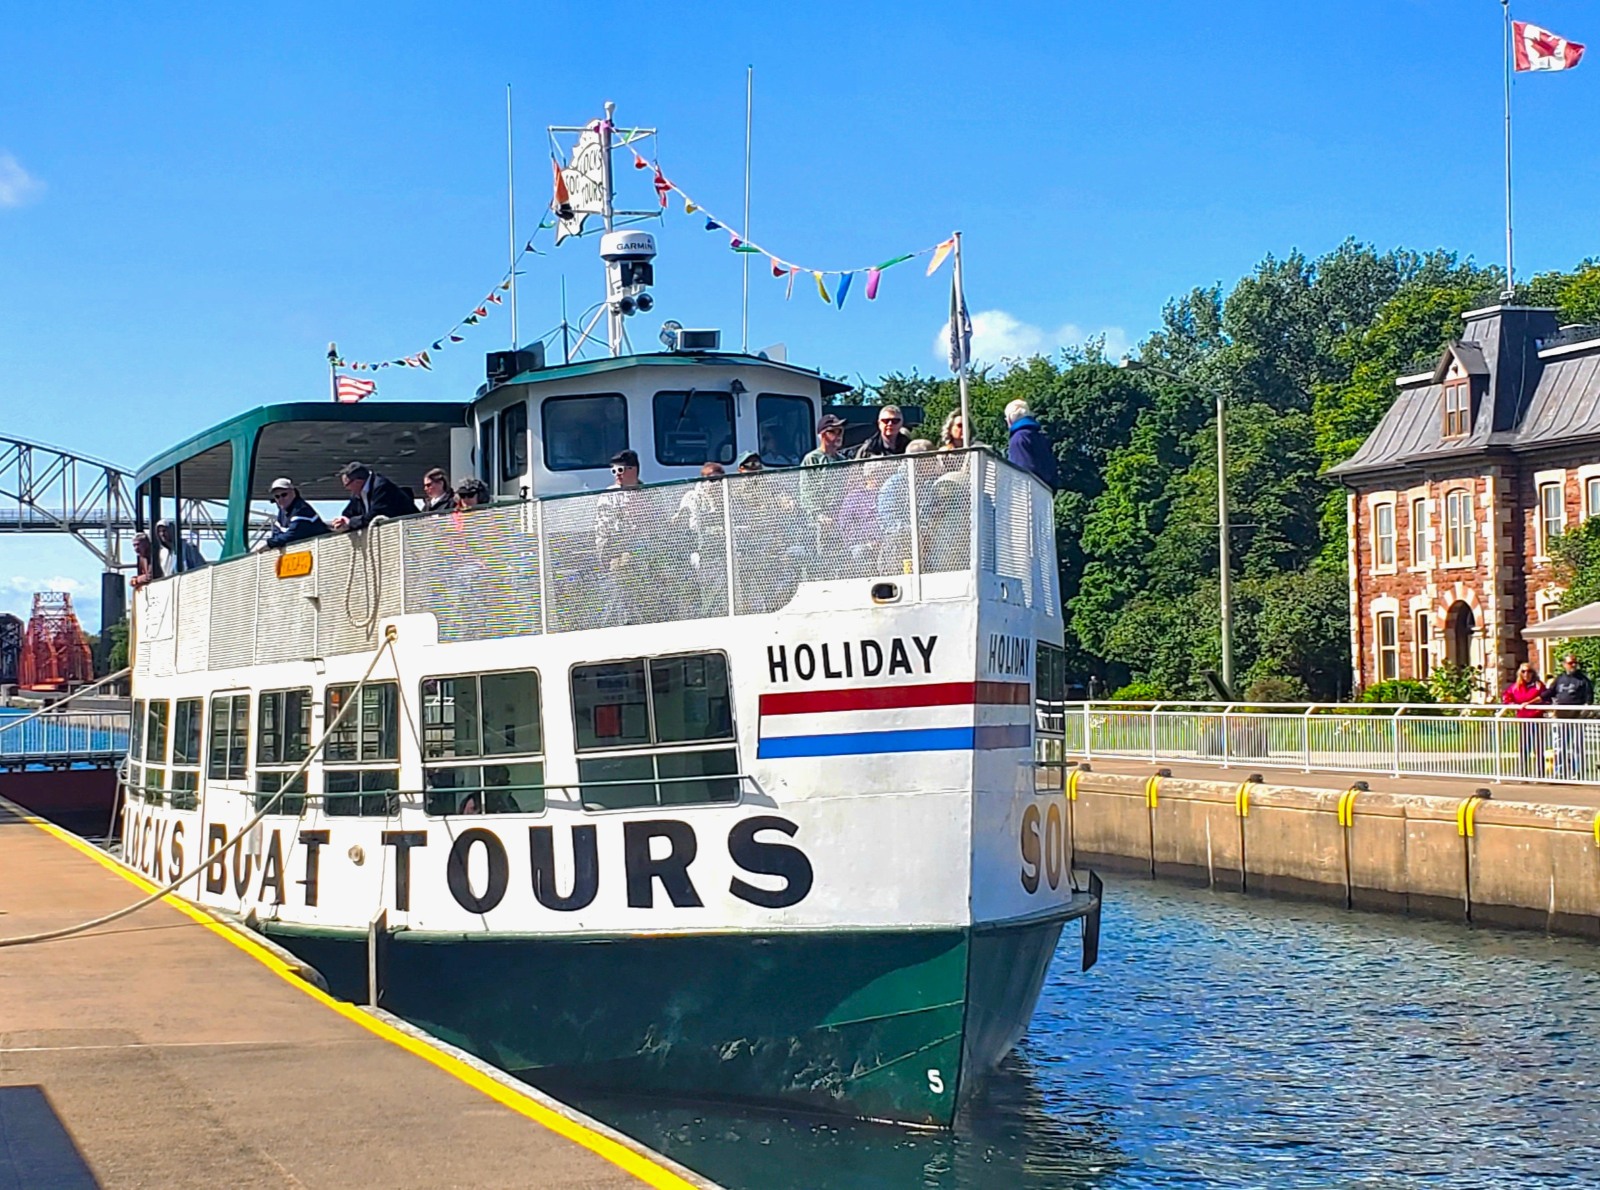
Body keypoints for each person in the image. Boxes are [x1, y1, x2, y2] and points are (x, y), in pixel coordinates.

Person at [330, 461, 415, 532]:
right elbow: (348, 513)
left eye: (347, 485)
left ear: (358, 481)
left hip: (409, 532)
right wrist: (342, 521)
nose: (347, 489)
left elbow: (375, 515)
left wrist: (350, 523)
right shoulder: (357, 493)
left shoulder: (381, 487)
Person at [1549, 653, 1593, 779]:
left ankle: (1577, 772)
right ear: (1564, 665)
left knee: (1577, 746)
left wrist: (1583, 714)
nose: (1573, 665)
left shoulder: (1583, 680)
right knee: (1560, 746)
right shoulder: (1559, 679)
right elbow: (1550, 693)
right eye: (1570, 663)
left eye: (1575, 662)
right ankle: (1559, 771)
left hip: (1576, 718)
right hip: (1561, 717)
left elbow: (1589, 699)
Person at [1503, 663, 1549, 778]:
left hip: (1537, 719)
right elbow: (1507, 697)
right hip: (1523, 720)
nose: (1526, 674)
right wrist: (1512, 705)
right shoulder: (1516, 687)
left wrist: (1532, 703)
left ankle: (1540, 774)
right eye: (1523, 671)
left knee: (1539, 747)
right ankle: (1523, 773)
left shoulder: (1538, 686)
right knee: (1524, 747)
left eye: (1529, 671)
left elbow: (1546, 698)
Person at [257, 477, 328, 551]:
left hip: (322, 550)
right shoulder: (282, 512)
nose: (281, 499)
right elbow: (276, 533)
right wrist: (273, 543)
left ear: (293, 492)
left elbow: (293, 534)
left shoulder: (301, 509)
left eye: (284, 495)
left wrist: (270, 543)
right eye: (277, 496)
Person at [1005, 399, 1058, 489]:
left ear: (1010, 419)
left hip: (1027, 496)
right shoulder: (1040, 437)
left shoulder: (1018, 439)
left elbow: (1020, 472)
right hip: (1045, 494)